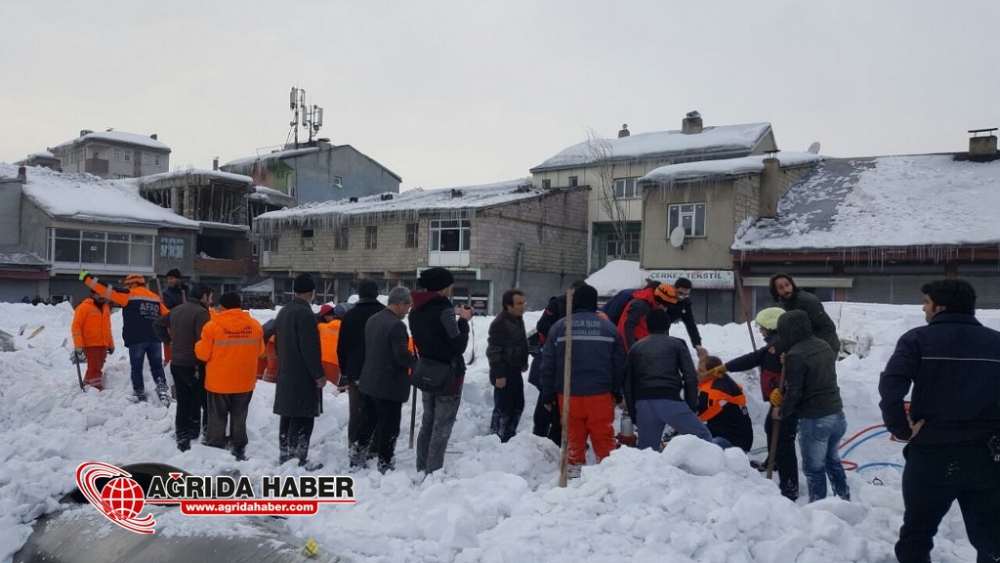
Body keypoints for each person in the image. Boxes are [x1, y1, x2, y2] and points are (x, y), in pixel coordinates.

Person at [879, 279, 1000, 563]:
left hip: (931, 455)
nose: (924, 308)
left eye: (926, 302)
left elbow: (891, 385)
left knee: (917, 534)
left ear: (940, 306)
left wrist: (901, 429)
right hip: (987, 457)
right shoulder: (997, 343)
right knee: (993, 538)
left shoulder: (917, 339)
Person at [703, 306, 799, 499]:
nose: (760, 331)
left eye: (763, 327)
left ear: (772, 327)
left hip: (785, 402)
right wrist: (726, 367)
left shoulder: (784, 348)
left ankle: (790, 487)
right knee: (771, 429)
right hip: (776, 400)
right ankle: (774, 462)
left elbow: (795, 376)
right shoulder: (773, 346)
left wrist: (784, 395)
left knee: (783, 440)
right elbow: (753, 358)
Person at [539, 283, 626, 477]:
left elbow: (548, 365)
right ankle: (610, 477)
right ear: (595, 303)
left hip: (568, 395)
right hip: (600, 396)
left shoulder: (559, 327)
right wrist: (617, 390)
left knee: (573, 440)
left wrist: (548, 395)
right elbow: (619, 363)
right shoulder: (609, 328)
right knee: (604, 440)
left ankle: (573, 477)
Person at [770, 309, 848, 503]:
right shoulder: (823, 345)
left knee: (814, 469)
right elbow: (813, 371)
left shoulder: (796, 355)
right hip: (837, 415)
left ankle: (818, 509)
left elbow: (796, 391)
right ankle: (845, 500)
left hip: (816, 419)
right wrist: (788, 363)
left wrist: (782, 411)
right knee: (833, 462)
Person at [409, 267, 472, 474]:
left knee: (428, 421)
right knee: (441, 426)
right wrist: (463, 321)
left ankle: (421, 466)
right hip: (447, 375)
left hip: (427, 371)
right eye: (450, 284)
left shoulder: (415, 309)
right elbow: (458, 345)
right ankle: (432, 472)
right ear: (443, 287)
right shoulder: (443, 309)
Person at [623, 309, 709, 450]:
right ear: (667, 325)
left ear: (648, 326)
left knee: (647, 453)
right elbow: (690, 377)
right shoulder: (677, 345)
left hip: (644, 404)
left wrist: (635, 414)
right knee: (703, 437)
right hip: (670, 400)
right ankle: (711, 471)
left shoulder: (635, 348)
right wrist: (691, 405)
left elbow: (628, 383)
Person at [80, 270, 169, 403]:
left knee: (137, 367)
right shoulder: (155, 298)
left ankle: (139, 393)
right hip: (154, 338)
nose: (126, 287)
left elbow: (106, 289)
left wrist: (86, 278)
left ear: (133, 284)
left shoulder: (129, 295)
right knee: (157, 366)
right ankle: (162, 389)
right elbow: (167, 315)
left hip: (136, 339)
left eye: (127, 285)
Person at [196, 292, 264, 461]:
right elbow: (261, 351)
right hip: (244, 381)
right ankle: (239, 447)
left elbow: (203, 354)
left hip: (219, 382)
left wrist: (197, 344)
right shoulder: (254, 325)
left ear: (223, 306)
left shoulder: (212, 327)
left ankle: (215, 447)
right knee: (239, 415)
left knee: (217, 416)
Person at [357, 287, 417, 473]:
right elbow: (400, 354)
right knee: (389, 426)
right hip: (389, 384)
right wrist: (415, 362)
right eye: (407, 307)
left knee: (368, 423)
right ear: (400, 304)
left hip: (369, 381)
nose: (407, 311)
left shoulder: (373, 319)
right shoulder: (397, 325)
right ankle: (385, 462)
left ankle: (356, 456)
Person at [272, 273, 326, 470]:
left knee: (288, 416)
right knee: (302, 418)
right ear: (312, 293)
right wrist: (318, 375)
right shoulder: (305, 314)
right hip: (302, 376)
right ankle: (298, 460)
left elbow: (277, 343)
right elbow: (309, 348)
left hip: (286, 371)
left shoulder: (284, 311)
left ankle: (285, 456)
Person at [153, 284, 213, 451]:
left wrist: (168, 341)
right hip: (194, 363)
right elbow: (205, 340)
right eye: (210, 297)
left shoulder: (177, 309)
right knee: (205, 402)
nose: (212, 301)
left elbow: (158, 323)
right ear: (204, 297)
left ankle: (184, 434)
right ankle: (207, 436)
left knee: (185, 401)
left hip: (177, 363)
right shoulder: (201, 313)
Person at [530, 280, 588, 445]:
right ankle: (538, 438)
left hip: (570, 363)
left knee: (562, 407)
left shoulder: (582, 308)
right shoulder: (558, 304)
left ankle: (556, 440)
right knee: (546, 401)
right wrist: (562, 335)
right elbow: (542, 326)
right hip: (552, 358)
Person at [337, 280, 386, 467]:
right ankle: (374, 448)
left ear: (359, 294)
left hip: (356, 371)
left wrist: (345, 370)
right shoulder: (385, 314)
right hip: (379, 372)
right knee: (378, 412)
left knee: (356, 412)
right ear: (377, 293)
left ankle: (355, 447)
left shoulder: (349, 316)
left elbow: (342, 346)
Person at [602, 279, 707, 358]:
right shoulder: (637, 300)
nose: (682, 297)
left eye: (686, 295)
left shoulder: (682, 305)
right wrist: (630, 350)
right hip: (619, 331)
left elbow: (690, 324)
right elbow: (623, 324)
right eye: (680, 293)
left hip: (649, 336)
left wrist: (697, 345)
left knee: (679, 345)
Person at [487, 289, 529, 443]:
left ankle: (509, 435)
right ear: (508, 306)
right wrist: (499, 374)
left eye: (523, 303)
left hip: (515, 369)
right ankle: (496, 437)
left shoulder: (517, 319)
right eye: (519, 303)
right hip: (504, 371)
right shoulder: (501, 323)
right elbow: (493, 351)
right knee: (503, 407)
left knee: (518, 404)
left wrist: (523, 361)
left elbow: (519, 343)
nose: (522, 306)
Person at [769, 273, 840, 354]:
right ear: (775, 291)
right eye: (781, 287)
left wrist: (810, 348)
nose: (786, 290)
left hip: (825, 348)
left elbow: (828, 328)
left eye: (787, 285)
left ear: (792, 284)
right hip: (802, 348)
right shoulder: (782, 304)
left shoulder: (808, 301)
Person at [696, 356, 753, 452]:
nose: (697, 373)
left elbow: (698, 416)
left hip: (733, 442)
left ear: (712, 374)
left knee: (699, 449)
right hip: (733, 435)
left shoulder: (716, 392)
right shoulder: (722, 380)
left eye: (701, 371)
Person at [70, 289, 114, 391]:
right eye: (98, 293)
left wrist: (111, 344)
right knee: (95, 366)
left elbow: (108, 328)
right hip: (90, 343)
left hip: (103, 343)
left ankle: (88, 380)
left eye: (102, 293)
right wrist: (78, 345)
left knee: (99, 364)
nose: (101, 296)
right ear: (92, 295)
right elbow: (76, 327)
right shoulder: (83, 307)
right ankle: (96, 386)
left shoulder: (106, 308)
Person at [618, 283, 678, 351]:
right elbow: (626, 328)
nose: (666, 309)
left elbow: (662, 331)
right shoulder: (640, 305)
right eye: (666, 305)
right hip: (636, 347)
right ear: (659, 301)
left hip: (646, 347)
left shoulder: (654, 306)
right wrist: (631, 350)